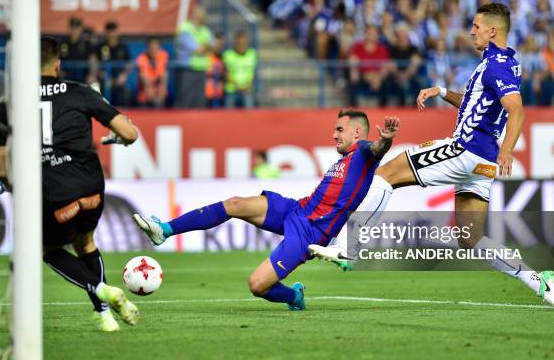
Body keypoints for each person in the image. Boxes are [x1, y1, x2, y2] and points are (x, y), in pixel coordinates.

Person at [311, 3, 554, 313]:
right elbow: (475, 103)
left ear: (492, 30)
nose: (471, 30)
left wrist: (508, 149)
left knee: (385, 175)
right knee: (471, 238)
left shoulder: (496, 65)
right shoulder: (507, 64)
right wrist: (442, 91)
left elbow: (517, 110)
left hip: (466, 150)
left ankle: (349, 249)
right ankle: (539, 282)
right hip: (481, 164)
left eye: (476, 25)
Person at [133, 110, 399, 310]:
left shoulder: (364, 153)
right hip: (297, 209)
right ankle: (165, 230)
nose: (334, 134)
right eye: (334, 129)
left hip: (311, 234)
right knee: (235, 204)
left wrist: (384, 141)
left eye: (339, 129)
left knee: (257, 285)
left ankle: (294, 296)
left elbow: (378, 148)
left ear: (356, 133)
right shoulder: (344, 159)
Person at [0, 37, 141, 332]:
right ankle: (104, 318)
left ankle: (102, 292)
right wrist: (122, 135)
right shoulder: (81, 92)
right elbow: (130, 133)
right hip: (91, 189)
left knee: (45, 248)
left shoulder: (8, 105)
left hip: (52, 192)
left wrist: (10, 184)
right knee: (86, 243)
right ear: (57, 65)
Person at [174, 6, 213, 108]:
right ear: (195, 14)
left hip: (201, 68)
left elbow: (214, 46)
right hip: (187, 68)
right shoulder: (185, 28)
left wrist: (205, 48)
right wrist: (205, 47)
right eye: (202, 13)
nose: (205, 16)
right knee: (185, 100)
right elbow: (196, 49)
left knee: (199, 101)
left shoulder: (205, 30)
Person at [89, 20, 132, 105]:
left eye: (114, 30)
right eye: (109, 30)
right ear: (106, 32)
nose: (112, 33)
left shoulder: (122, 46)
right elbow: (93, 60)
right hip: (103, 78)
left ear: (117, 31)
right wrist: (99, 73)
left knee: (125, 92)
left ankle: (122, 114)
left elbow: (129, 63)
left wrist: (124, 75)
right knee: (94, 86)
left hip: (119, 79)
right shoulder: (100, 46)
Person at [222, 29, 258, 108]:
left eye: (243, 42)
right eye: (239, 42)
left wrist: (249, 84)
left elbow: (253, 72)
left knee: (250, 115)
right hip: (231, 90)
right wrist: (238, 86)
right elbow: (225, 73)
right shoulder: (228, 55)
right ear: (235, 42)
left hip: (247, 90)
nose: (241, 44)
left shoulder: (252, 54)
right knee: (228, 116)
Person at [135, 37, 169, 107]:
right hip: (145, 88)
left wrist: (160, 89)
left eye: (156, 49)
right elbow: (143, 77)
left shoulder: (163, 55)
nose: (154, 51)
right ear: (147, 48)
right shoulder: (141, 58)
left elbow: (162, 75)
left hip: (158, 87)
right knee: (146, 94)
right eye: (151, 49)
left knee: (162, 89)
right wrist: (149, 88)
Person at [59, 17, 92, 83]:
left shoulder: (86, 43)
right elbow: (55, 59)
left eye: (77, 28)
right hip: (66, 77)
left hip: (83, 76)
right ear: (69, 28)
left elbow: (93, 58)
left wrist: (92, 74)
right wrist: (59, 71)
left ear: (81, 29)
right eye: (72, 27)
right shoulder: (62, 43)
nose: (74, 30)